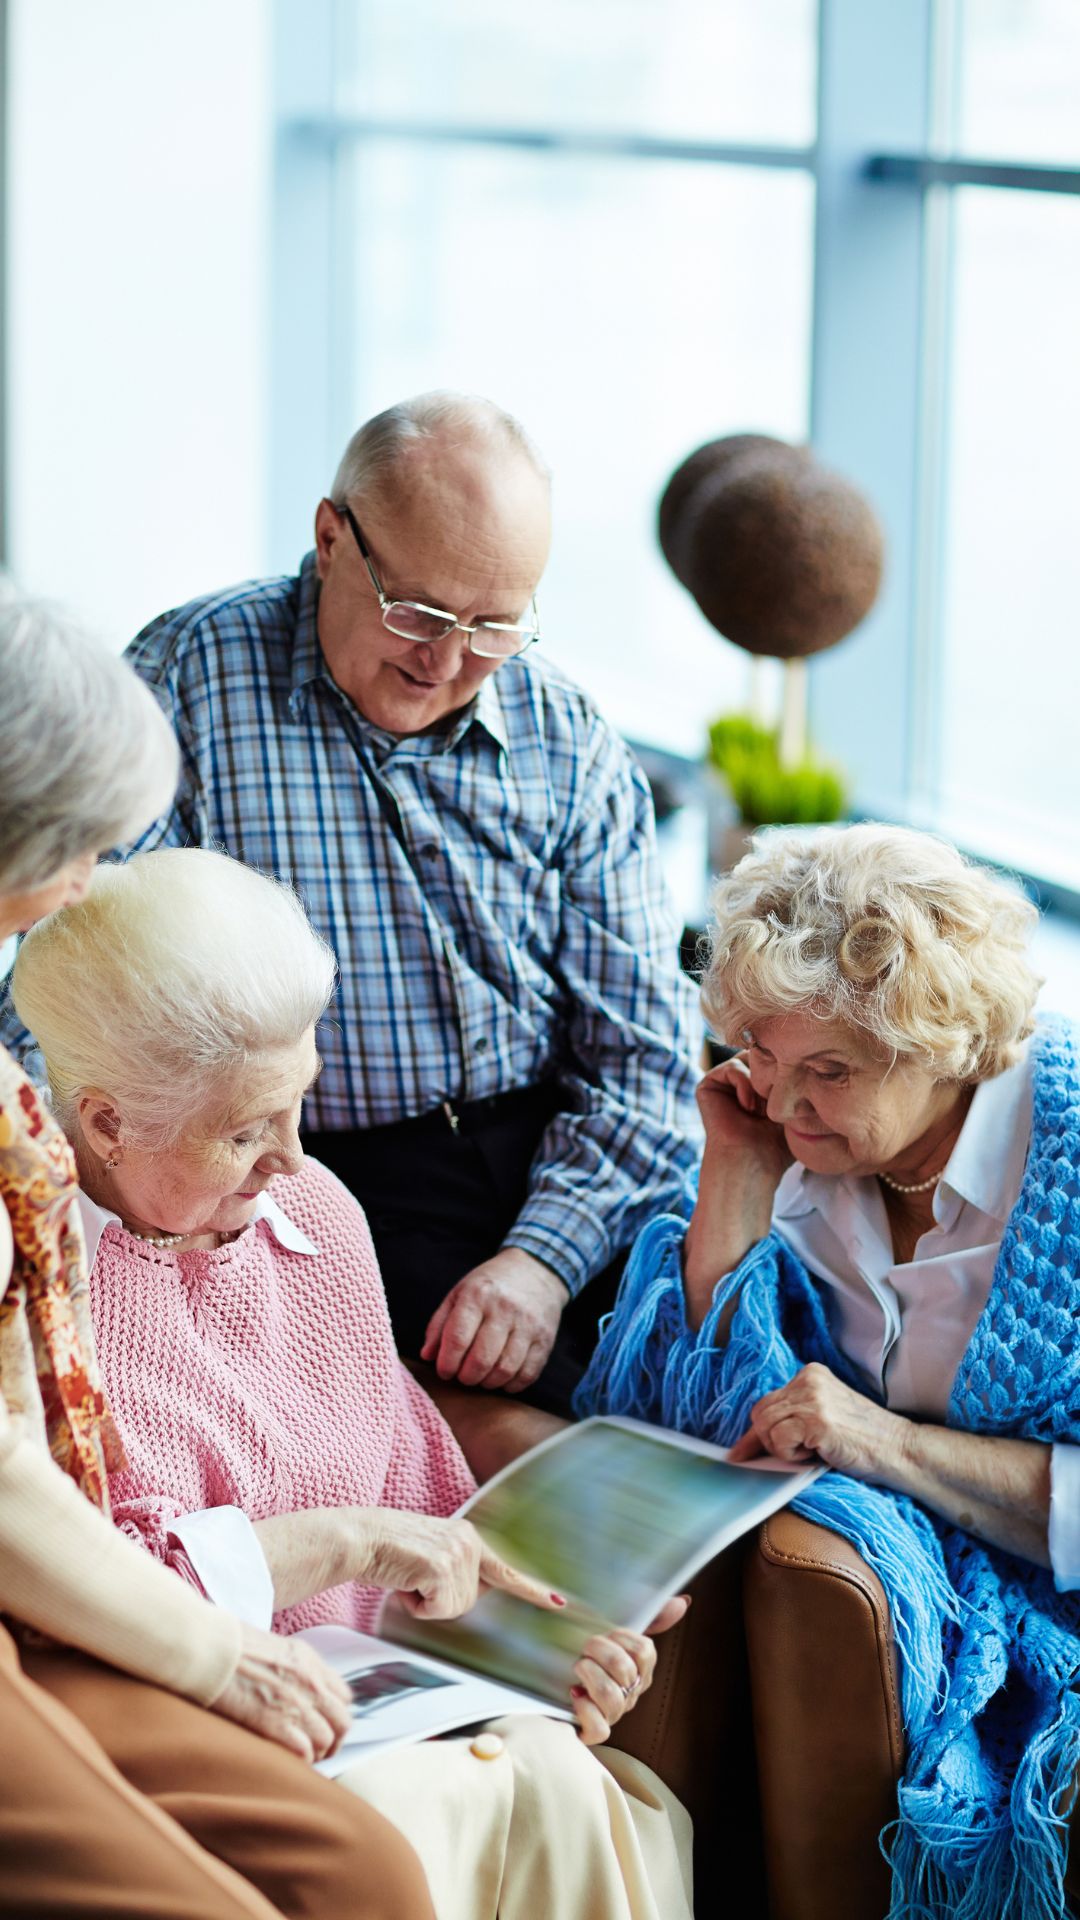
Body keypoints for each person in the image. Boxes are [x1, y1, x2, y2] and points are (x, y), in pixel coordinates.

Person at [12, 844, 695, 1920]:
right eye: (244, 1130)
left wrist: (536, 1644)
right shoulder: (42, 1288)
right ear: (104, 1122)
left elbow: (418, 1505)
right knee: (469, 1806)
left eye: (299, 1104)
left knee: (555, 1770)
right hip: (200, 1726)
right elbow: (82, 1596)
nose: (295, 1157)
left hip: (382, 1705)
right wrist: (349, 1542)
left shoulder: (319, 1213)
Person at [37, 390, 699, 1413]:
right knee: (542, 1436)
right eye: (419, 613)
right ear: (330, 538)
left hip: (564, 1157)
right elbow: (68, 988)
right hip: (320, 1170)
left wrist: (542, 1259)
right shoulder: (185, 684)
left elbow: (645, 1061)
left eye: (492, 626)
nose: (444, 663)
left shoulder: (566, 733)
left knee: (706, 1405)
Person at [0, 593, 435, 1920]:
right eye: (77, 844)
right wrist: (212, 1656)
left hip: (37, 1595)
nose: (89, 883)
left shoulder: (321, 1229)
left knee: (360, 1873)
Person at [576, 822, 1080, 1920]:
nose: (785, 1104)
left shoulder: (1067, 1166)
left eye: (829, 1072)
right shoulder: (797, 1147)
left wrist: (882, 1441)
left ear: (944, 1039)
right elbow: (688, 1423)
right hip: (907, 1573)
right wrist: (735, 1181)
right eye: (762, 1054)